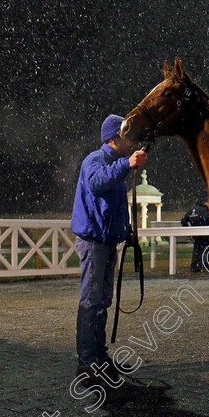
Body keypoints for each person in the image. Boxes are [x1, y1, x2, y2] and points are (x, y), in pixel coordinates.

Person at [71, 114, 148, 379]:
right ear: (115, 139)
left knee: (102, 301)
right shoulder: (96, 160)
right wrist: (127, 164)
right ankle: (87, 360)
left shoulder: (114, 163)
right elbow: (97, 183)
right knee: (92, 301)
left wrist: (124, 230)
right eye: (127, 136)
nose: (132, 141)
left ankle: (99, 357)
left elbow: (111, 206)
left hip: (104, 240)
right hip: (94, 242)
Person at [181, 198, 209, 272]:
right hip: (206, 233)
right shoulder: (206, 211)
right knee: (206, 249)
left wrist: (188, 230)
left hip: (196, 235)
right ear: (204, 203)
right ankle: (206, 267)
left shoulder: (192, 211)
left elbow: (183, 220)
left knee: (197, 250)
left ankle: (195, 267)